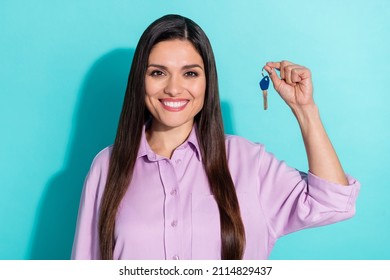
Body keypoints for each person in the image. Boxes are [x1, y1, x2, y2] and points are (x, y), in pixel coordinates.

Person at [71, 14, 360, 260]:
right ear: (140, 80)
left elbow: (333, 202)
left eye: (190, 74)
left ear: (207, 82)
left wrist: (304, 109)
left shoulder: (249, 163)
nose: (174, 88)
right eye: (158, 72)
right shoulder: (107, 166)